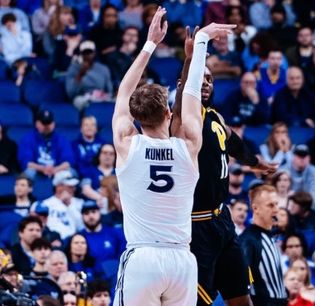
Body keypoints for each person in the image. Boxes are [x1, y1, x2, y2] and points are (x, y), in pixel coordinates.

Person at [112, 11, 233, 305]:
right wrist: (201, 40)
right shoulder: (188, 145)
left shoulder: (127, 144)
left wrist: (150, 44)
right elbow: (191, 94)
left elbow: (123, 92)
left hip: (143, 257)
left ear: (136, 118)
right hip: (181, 258)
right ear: (168, 114)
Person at [171, 25, 275, 306]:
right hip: (196, 225)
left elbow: (234, 143)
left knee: (241, 296)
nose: (205, 83)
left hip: (222, 220)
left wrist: (256, 163)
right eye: (200, 79)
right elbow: (184, 92)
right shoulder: (180, 120)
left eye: (210, 79)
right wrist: (190, 61)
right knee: (194, 300)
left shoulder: (215, 116)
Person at [238, 184, 287, 305]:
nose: (276, 209)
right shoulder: (249, 240)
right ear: (255, 208)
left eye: (276, 204)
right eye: (270, 205)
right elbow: (242, 280)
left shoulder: (269, 235)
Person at [18, 109, 75, 180]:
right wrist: (42, 168)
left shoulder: (62, 139)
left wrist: (55, 169)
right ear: (37, 124)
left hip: (57, 170)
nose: (46, 126)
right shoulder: (28, 139)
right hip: (36, 169)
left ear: (54, 124)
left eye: (49, 123)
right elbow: (26, 162)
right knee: (28, 173)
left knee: (71, 173)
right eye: (44, 123)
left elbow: (68, 161)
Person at [65, 40, 113, 110]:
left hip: (100, 97)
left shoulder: (103, 69)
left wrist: (105, 95)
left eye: (90, 52)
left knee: (116, 101)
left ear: (94, 53)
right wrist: (80, 75)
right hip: (83, 97)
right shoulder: (73, 68)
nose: (87, 55)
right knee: (78, 101)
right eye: (85, 53)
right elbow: (71, 93)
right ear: (81, 54)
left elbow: (109, 90)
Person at [37, 170, 84, 239]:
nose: (74, 189)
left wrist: (69, 205)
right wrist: (59, 202)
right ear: (59, 187)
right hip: (51, 240)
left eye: (74, 187)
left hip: (73, 241)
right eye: (70, 187)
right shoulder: (45, 204)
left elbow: (82, 227)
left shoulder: (80, 203)